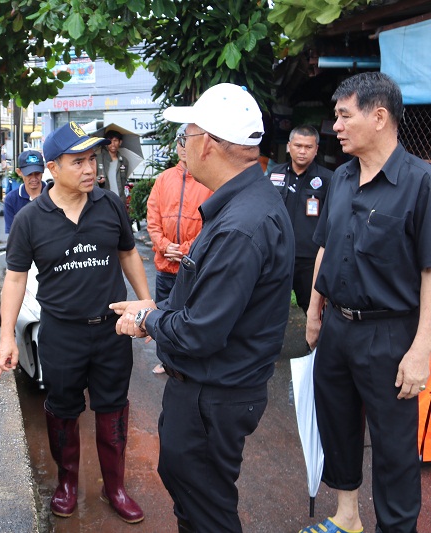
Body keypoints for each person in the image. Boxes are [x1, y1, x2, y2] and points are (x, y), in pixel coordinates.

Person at [110, 83, 295, 532]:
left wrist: (148, 319)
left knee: (207, 507)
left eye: (187, 135)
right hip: (214, 388)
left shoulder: (242, 225)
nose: (183, 146)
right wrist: (158, 309)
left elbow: (201, 331)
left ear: (208, 143)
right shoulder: (243, 207)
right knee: (194, 496)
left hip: (215, 393)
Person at [0, 121, 151, 523]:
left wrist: (145, 300)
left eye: (92, 159)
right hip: (61, 333)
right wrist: (7, 336)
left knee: (113, 408)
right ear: (52, 167)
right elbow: (14, 279)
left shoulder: (110, 204)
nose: (89, 169)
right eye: (77, 161)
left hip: (111, 330)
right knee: (62, 409)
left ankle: (114, 488)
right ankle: (67, 484)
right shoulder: (31, 218)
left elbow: (128, 254)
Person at [299, 72, 431, 533]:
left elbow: (430, 273)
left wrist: (421, 351)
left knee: (394, 447)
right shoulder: (341, 178)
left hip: (390, 333)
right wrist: (315, 313)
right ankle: (347, 518)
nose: (335, 125)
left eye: (343, 115)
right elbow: (324, 247)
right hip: (337, 326)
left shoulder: (421, 182)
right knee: (338, 427)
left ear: (378, 117)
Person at [147, 123, 213, 374]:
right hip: (165, 263)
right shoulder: (164, 179)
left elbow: (210, 225)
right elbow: (152, 218)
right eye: (181, 143)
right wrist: (164, 245)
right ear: (177, 146)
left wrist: (185, 249)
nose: (185, 148)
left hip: (192, 264)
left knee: (190, 314)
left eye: (190, 142)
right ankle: (166, 359)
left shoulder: (207, 180)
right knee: (164, 311)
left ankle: (188, 361)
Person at [267, 125, 333, 314]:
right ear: (289, 146)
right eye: (298, 145)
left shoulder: (328, 179)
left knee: (312, 307)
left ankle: (315, 344)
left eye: (308, 147)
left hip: (309, 258)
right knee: (271, 306)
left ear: (316, 149)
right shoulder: (274, 175)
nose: (302, 151)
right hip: (279, 254)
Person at [3, 149, 47, 233]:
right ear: (19, 172)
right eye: (29, 174)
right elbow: (13, 234)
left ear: (43, 170)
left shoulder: (54, 194)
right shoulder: (11, 200)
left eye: (37, 173)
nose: (34, 178)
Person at [97, 129, 129, 201]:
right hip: (104, 199)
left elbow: (123, 181)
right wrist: (98, 180)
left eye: (115, 140)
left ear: (120, 142)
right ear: (106, 143)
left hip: (119, 199)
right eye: (110, 141)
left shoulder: (124, 161)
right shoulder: (98, 159)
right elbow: (93, 178)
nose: (113, 144)